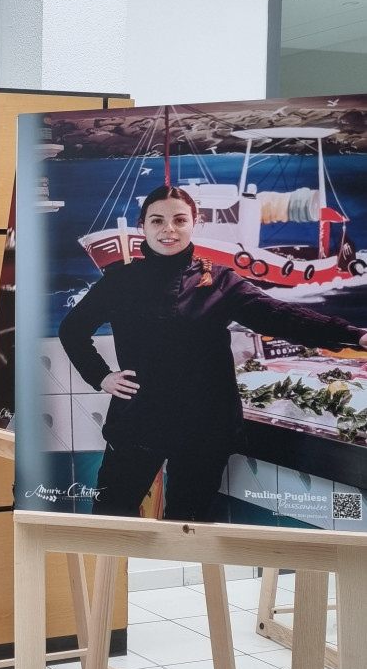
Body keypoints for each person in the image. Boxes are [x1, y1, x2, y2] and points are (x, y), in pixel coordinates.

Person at [59, 184, 367, 522]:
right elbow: (72, 329)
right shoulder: (119, 282)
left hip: (204, 424)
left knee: (189, 523)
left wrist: (354, 334)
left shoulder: (218, 280)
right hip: (139, 418)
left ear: (195, 223)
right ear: (142, 226)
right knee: (110, 515)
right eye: (157, 221)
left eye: (179, 220)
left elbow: (280, 314)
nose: (168, 230)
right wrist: (101, 376)